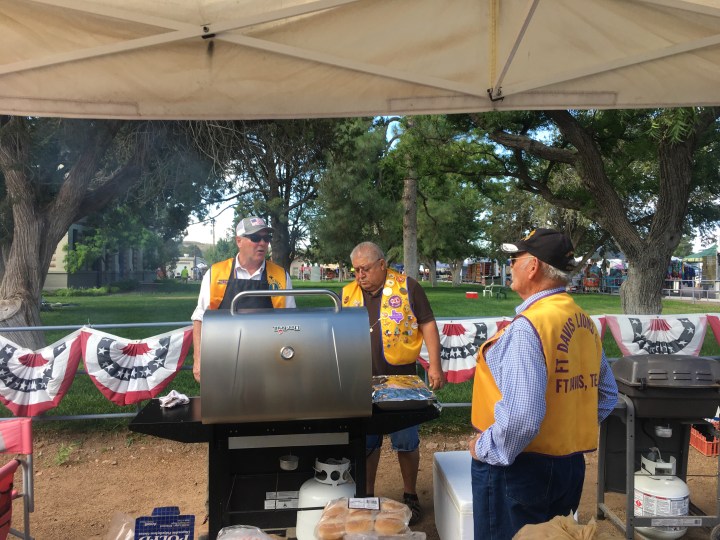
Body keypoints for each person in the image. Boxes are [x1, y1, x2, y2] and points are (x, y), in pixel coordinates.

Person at [468, 228, 618, 540]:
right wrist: (565, 429)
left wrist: (484, 448)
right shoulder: (584, 321)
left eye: (515, 259)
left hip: (518, 468)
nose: (510, 265)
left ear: (533, 266)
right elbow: (606, 395)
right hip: (569, 467)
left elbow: (522, 418)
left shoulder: (529, 328)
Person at [342, 241, 445, 525]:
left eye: (365, 269)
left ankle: (410, 495)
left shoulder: (408, 287)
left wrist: (435, 365)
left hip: (403, 381)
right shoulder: (346, 294)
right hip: (360, 380)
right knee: (366, 441)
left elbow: (428, 324)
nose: (360, 275)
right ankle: (366, 496)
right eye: (356, 270)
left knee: (406, 440)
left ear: (382, 265)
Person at [191, 215, 296, 383]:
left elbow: (291, 322)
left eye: (266, 238)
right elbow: (200, 318)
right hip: (223, 359)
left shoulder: (280, 276)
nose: (262, 243)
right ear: (238, 241)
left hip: (269, 361)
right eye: (255, 238)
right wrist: (198, 359)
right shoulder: (215, 273)